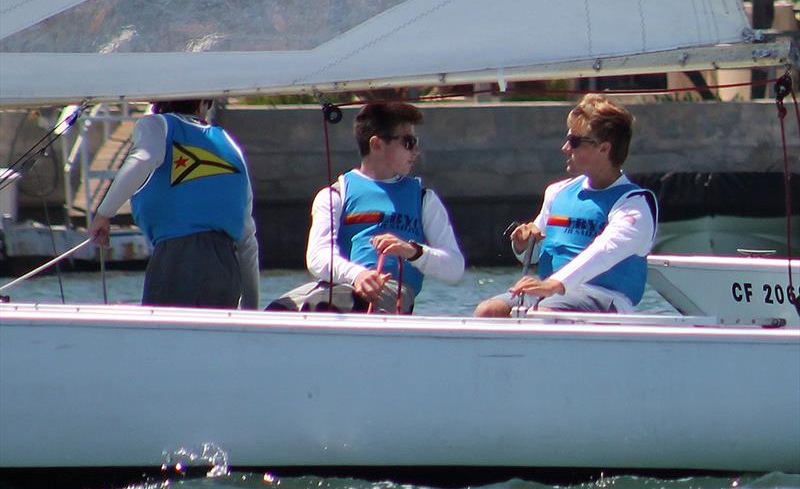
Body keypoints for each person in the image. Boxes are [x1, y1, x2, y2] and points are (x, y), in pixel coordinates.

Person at [268, 101, 464, 313]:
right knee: (277, 311)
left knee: (329, 304)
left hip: (388, 291)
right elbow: (318, 256)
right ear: (377, 144)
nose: (416, 151)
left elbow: (454, 268)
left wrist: (413, 252)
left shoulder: (425, 199)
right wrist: (358, 275)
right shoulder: (334, 195)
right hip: (338, 286)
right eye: (408, 142)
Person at [474, 94, 657, 317]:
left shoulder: (635, 205)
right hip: (552, 293)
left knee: (543, 312)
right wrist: (523, 244)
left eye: (574, 142)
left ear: (604, 149)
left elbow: (606, 250)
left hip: (603, 297)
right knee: (488, 311)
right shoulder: (557, 192)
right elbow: (535, 255)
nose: (564, 148)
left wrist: (556, 284)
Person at [89, 99, 260, 309]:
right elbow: (247, 240)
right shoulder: (229, 144)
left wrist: (104, 214)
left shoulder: (157, 125)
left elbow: (143, 159)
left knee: (164, 338)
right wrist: (252, 309)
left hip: (177, 257)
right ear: (203, 104)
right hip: (226, 268)